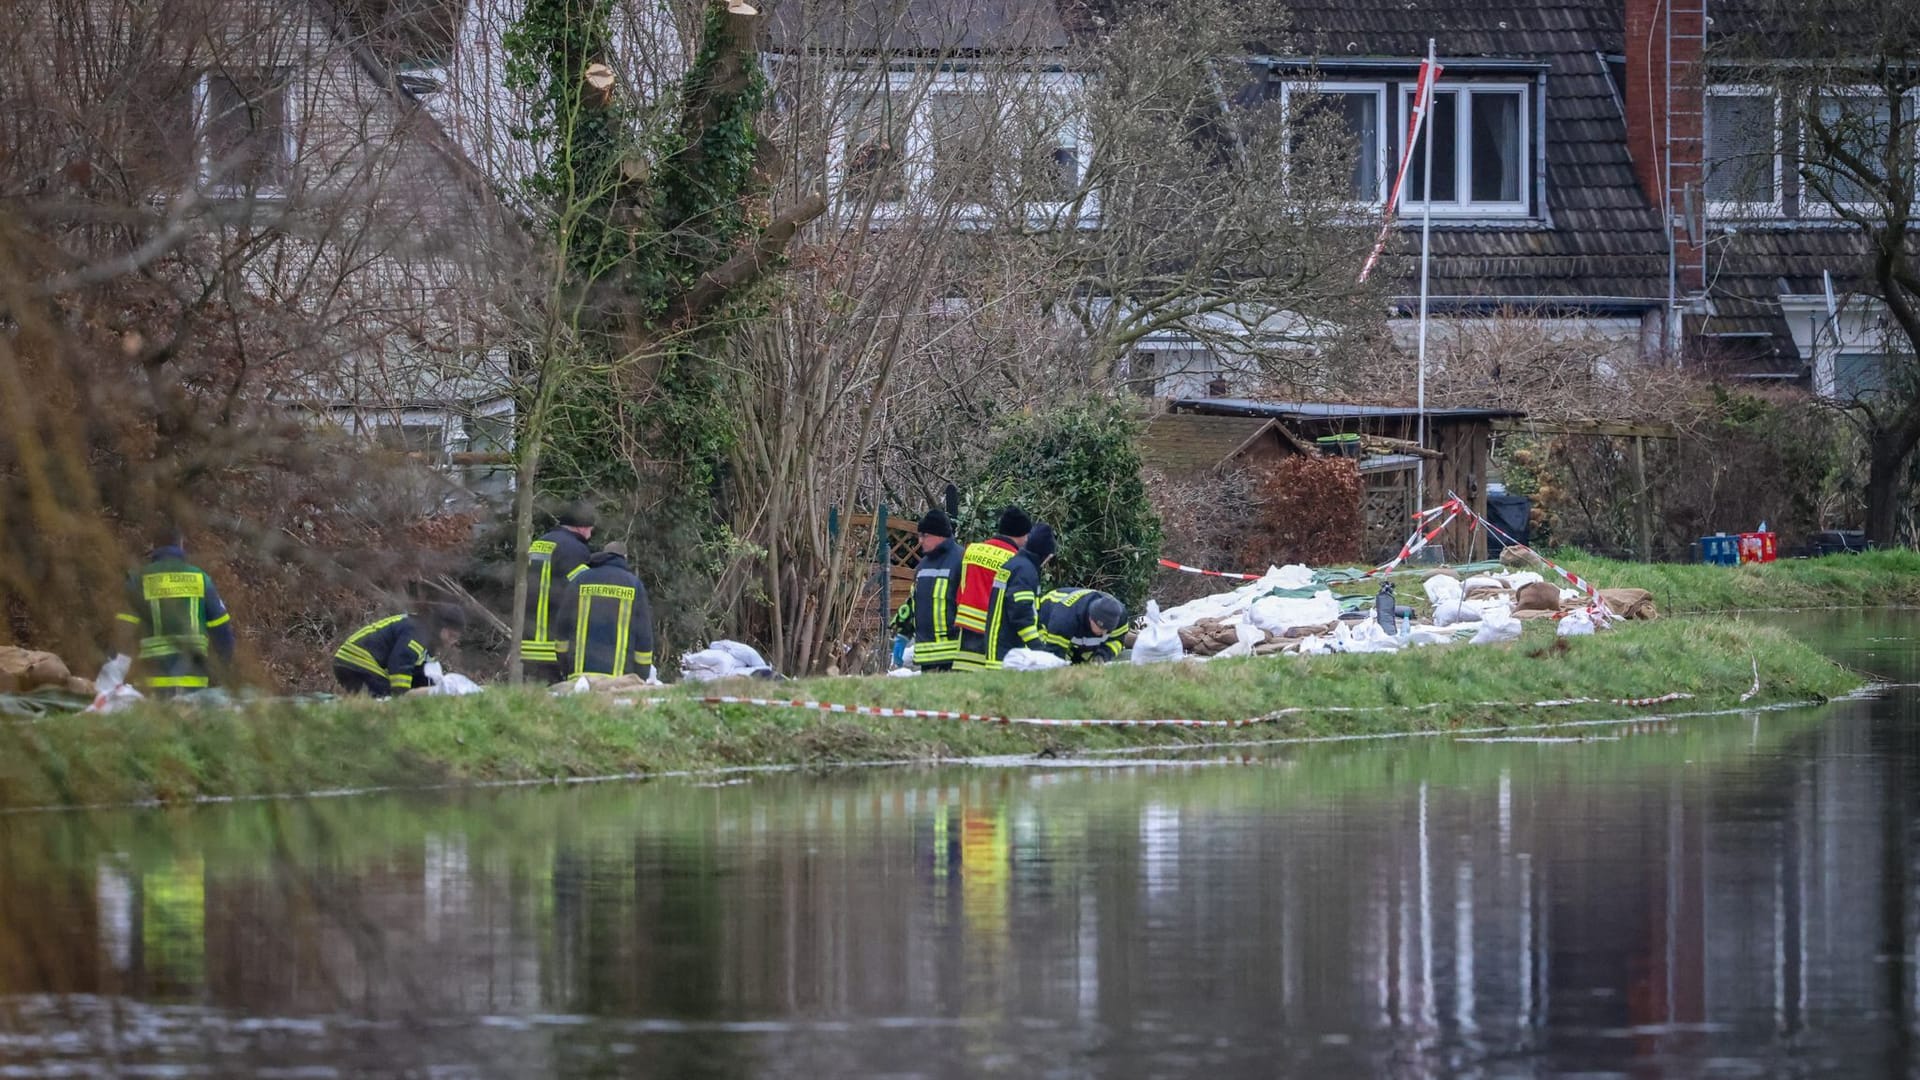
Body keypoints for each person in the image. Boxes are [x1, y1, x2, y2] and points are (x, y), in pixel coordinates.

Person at [114, 527, 235, 695]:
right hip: (194, 686)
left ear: (154, 546)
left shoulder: (138, 581)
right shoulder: (201, 579)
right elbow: (224, 635)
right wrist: (219, 675)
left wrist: (116, 677)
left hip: (151, 686)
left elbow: (122, 636)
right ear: (181, 544)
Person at [958, 520, 1054, 671]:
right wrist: (1037, 646)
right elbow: (1021, 612)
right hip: (1007, 651)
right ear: (1046, 555)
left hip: (989, 639)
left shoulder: (1012, 564)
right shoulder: (1025, 570)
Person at [552, 541, 654, 680]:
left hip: (580, 676)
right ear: (624, 557)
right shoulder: (634, 584)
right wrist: (641, 675)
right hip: (619, 679)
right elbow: (643, 634)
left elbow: (562, 625)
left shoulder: (580, 580)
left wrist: (564, 666)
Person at [520, 502, 595, 684]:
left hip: (529, 641)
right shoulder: (575, 550)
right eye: (591, 529)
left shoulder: (540, 543)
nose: (591, 535)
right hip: (554, 643)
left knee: (534, 699)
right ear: (582, 527)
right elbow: (582, 593)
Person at [953, 506, 1028, 670]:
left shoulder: (972, 550)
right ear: (1021, 534)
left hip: (967, 624)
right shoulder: (1016, 560)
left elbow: (960, 587)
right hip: (996, 628)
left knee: (965, 672)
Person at [333, 604, 464, 698]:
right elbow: (401, 662)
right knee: (386, 701)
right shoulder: (417, 632)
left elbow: (420, 673)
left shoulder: (426, 639)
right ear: (439, 627)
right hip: (358, 663)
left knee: (378, 700)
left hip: (353, 662)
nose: (452, 642)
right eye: (451, 636)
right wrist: (401, 696)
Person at [891, 509, 964, 671]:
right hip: (927, 656)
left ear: (939, 535)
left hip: (953, 655)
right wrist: (903, 634)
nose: (920, 540)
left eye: (924, 535)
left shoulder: (961, 560)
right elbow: (913, 602)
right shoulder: (922, 566)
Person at [1035, 588, 1129, 663]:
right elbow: (1054, 653)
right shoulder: (1065, 619)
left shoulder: (1120, 616)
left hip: (1074, 629)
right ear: (1091, 618)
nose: (1104, 633)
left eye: (1108, 630)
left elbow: (1118, 641)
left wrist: (1102, 656)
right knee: (1044, 659)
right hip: (1044, 620)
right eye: (1101, 628)